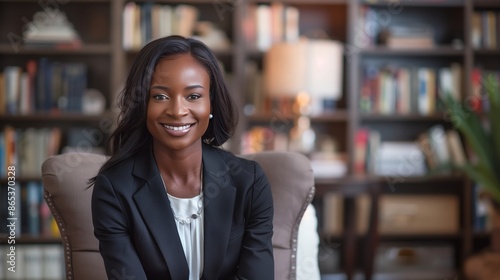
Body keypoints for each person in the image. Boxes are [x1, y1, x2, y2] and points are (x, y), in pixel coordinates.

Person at [91, 35, 274, 280]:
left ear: (212, 105)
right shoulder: (114, 189)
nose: (177, 111)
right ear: (142, 105)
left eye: (193, 96)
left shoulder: (249, 182)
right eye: (160, 97)